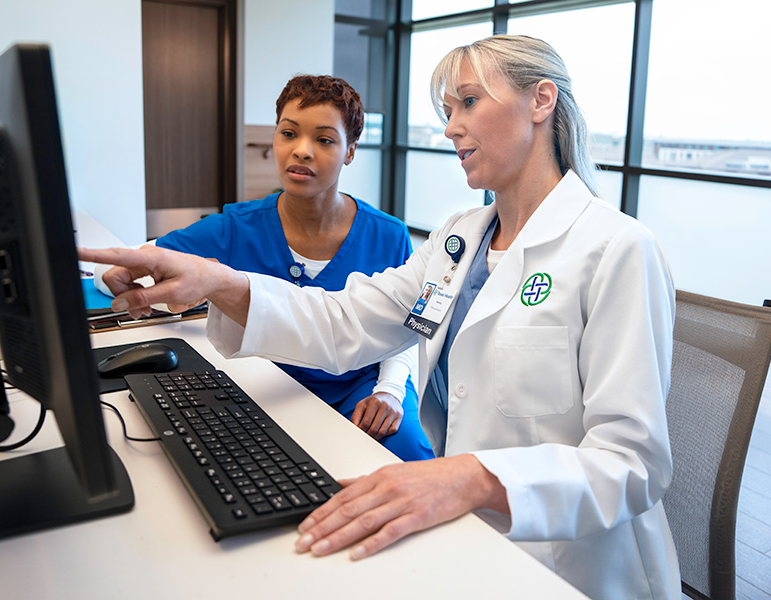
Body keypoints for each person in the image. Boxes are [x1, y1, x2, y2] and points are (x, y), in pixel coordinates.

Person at [80, 35, 679, 600]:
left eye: (468, 102)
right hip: (467, 534)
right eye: (448, 110)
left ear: (540, 100)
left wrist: (468, 478)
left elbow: (631, 463)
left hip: (572, 566)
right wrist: (222, 282)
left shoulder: (617, 248)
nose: (450, 129)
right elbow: (345, 321)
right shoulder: (458, 241)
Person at [94, 75, 433, 462]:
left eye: (324, 140)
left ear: (350, 151)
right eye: (289, 133)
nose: (301, 151)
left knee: (410, 453)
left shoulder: (388, 235)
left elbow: (411, 329)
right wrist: (119, 280)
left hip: (362, 384)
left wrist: (389, 389)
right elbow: (148, 262)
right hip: (267, 382)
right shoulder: (235, 226)